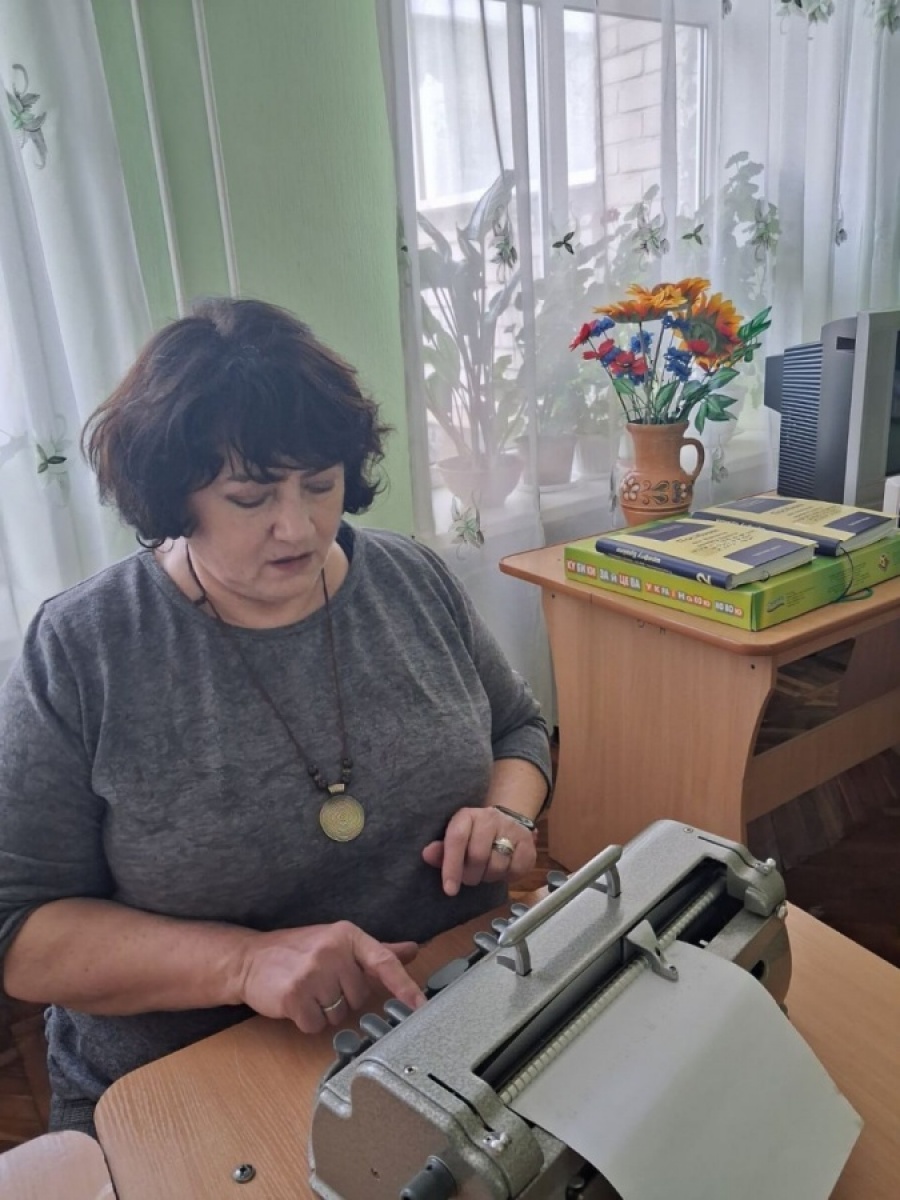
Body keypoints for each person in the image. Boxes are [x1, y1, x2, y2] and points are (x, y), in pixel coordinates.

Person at [0, 297, 552, 1137]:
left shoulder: (412, 579)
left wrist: (508, 814)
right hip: (186, 1074)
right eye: (250, 497)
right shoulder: (85, 648)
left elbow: (519, 729)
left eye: (321, 485)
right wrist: (243, 962)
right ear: (173, 496)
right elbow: (21, 932)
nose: (298, 527)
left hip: (444, 1023)